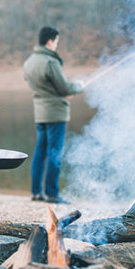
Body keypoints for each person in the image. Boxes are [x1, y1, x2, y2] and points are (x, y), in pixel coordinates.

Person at [23, 26, 83, 204]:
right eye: (56, 41)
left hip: (40, 114)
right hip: (55, 114)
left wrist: (60, 92)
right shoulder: (50, 62)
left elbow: (45, 87)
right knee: (55, 153)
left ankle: (36, 192)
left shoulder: (29, 63)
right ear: (50, 41)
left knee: (40, 153)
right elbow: (64, 87)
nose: (56, 45)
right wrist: (78, 86)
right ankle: (52, 193)